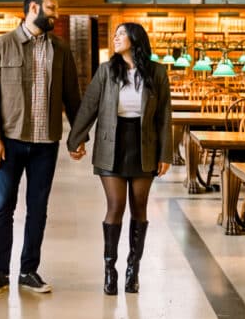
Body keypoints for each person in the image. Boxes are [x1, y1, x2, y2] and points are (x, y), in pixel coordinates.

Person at [0, 0, 82, 296]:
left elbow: (72, 97)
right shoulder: (2, 46)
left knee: (38, 208)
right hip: (9, 142)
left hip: (46, 144)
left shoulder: (61, 50)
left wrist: (77, 138)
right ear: (34, 9)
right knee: (3, 208)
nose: (57, 14)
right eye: (52, 9)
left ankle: (28, 270)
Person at [66, 23, 173, 295]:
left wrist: (165, 154)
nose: (115, 38)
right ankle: (110, 270)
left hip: (144, 145)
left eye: (120, 34)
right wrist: (75, 139)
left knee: (139, 207)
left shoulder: (157, 72)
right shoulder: (106, 70)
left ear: (135, 39)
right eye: (114, 35)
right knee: (115, 205)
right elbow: (89, 105)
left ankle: (132, 270)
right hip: (110, 144)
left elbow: (163, 116)